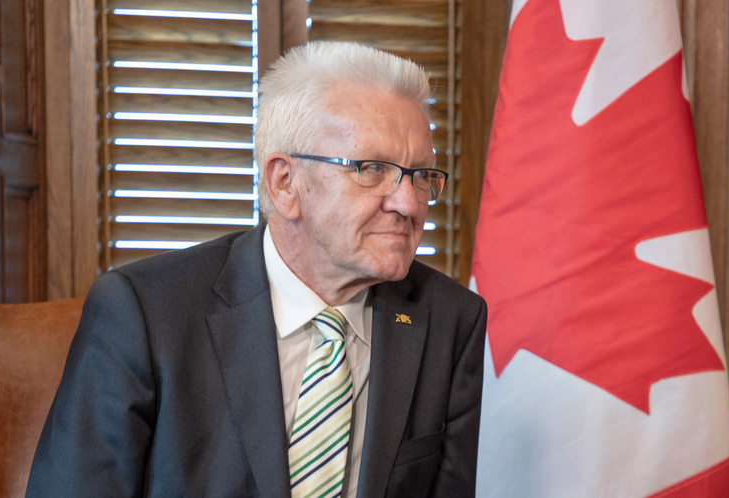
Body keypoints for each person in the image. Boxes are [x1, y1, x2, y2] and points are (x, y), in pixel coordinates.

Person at [27, 41, 486, 497]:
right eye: (372, 168)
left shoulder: (450, 322)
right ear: (285, 183)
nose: (409, 204)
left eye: (422, 175)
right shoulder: (143, 315)